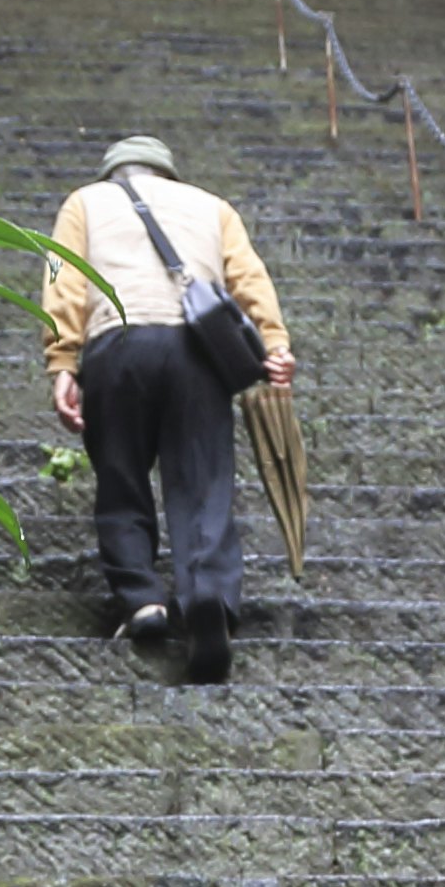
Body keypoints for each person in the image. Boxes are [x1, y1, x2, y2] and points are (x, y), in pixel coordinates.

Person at [45, 133, 292, 683]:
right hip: (196, 349)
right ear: (167, 174)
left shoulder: (85, 202)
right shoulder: (212, 206)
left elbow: (65, 280)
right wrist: (275, 345)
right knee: (203, 479)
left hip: (118, 345)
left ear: (114, 173)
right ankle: (207, 597)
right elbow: (249, 279)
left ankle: (142, 599)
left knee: (121, 471)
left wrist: (63, 361)